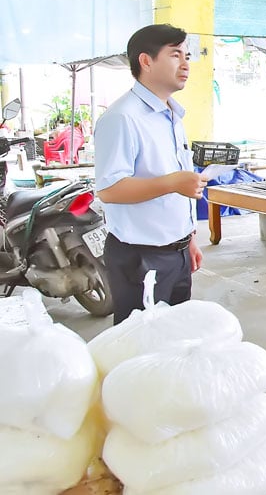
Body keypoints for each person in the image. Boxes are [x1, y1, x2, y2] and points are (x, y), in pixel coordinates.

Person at [94, 24, 207, 325]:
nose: (185, 64)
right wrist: (172, 183)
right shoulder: (122, 117)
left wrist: (189, 239)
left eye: (187, 55)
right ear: (146, 61)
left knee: (173, 341)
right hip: (140, 257)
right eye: (175, 55)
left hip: (177, 252)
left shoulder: (172, 114)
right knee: (141, 348)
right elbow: (110, 189)